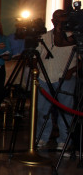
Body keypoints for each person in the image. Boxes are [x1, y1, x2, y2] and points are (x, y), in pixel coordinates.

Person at [36, 9, 76, 150]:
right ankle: (42, 137)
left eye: (62, 17)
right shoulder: (45, 36)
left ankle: (64, 140)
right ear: (52, 21)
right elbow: (37, 55)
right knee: (42, 110)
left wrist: (71, 70)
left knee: (66, 111)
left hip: (65, 78)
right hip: (44, 77)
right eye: (56, 18)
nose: (59, 20)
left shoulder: (73, 37)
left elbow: (80, 59)